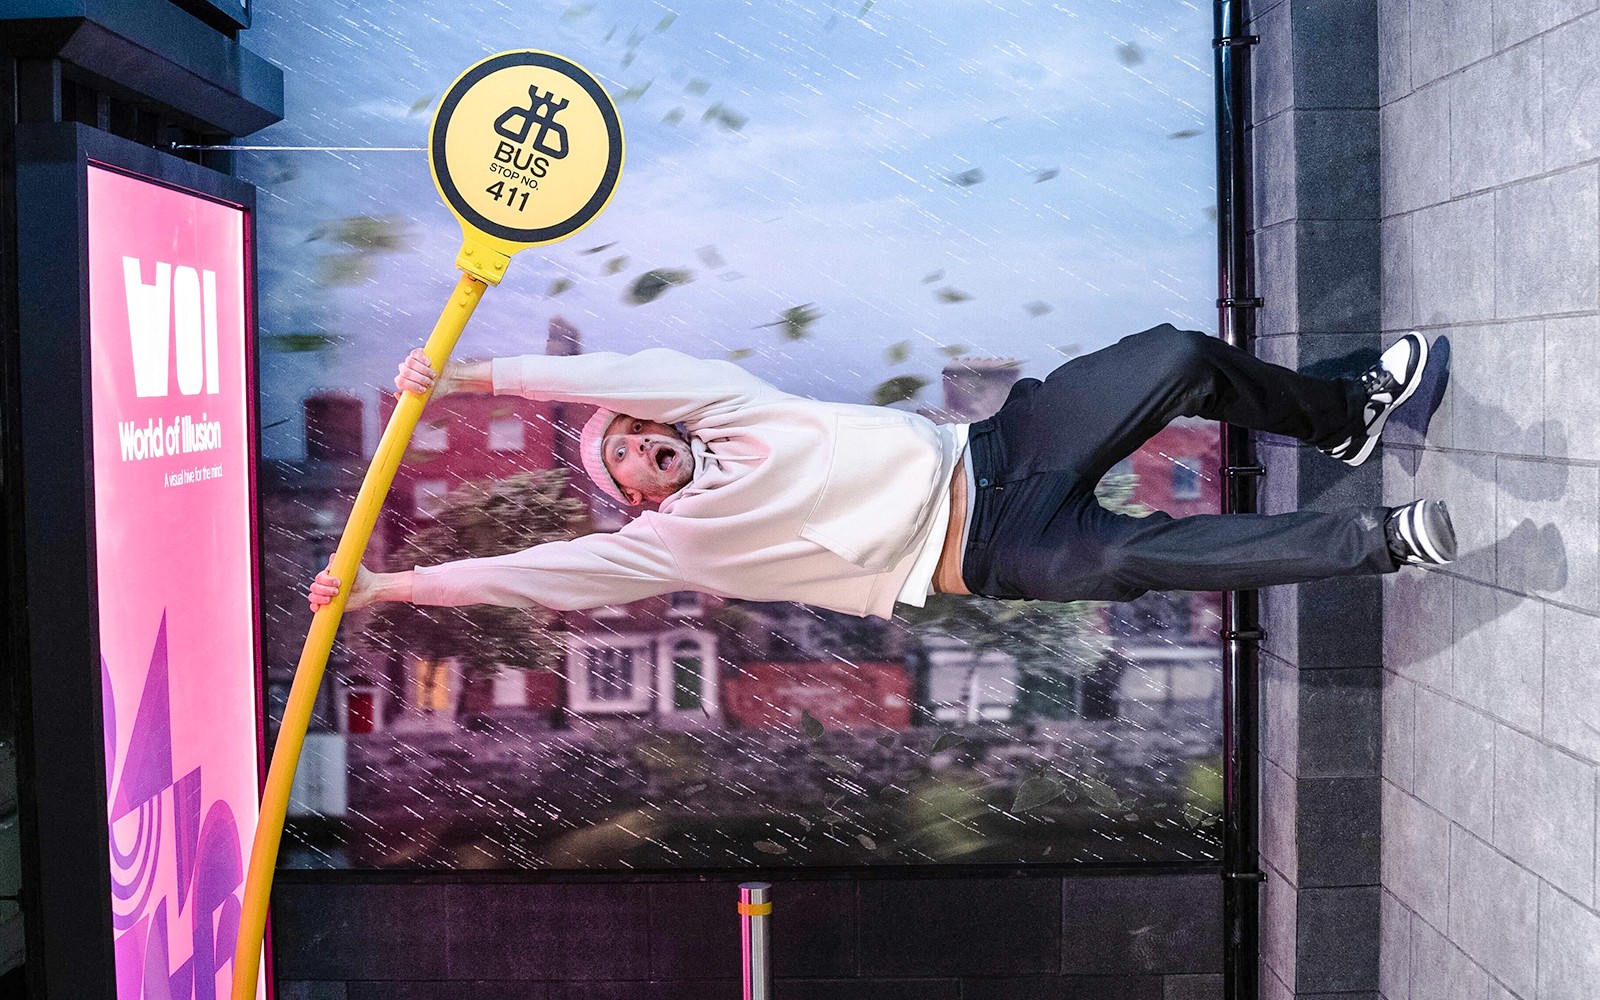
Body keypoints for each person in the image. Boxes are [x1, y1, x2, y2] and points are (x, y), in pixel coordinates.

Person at [308, 324, 1455, 618]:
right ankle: (1381, 541)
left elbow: (627, 364)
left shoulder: (729, 410)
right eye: (624, 463)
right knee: (1135, 557)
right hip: (988, 551)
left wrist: (472, 380)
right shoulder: (675, 542)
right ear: (641, 498)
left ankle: (1343, 411)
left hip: (1003, 446)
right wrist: (386, 589)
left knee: (1173, 358)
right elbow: (537, 576)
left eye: (632, 430)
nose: (637, 447)